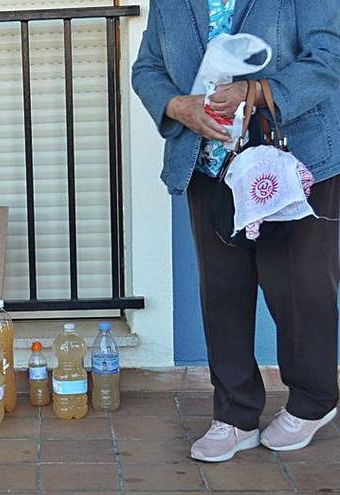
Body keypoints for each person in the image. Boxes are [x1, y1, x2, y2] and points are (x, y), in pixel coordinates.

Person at [133, 0, 340, 462]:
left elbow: (330, 56)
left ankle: (314, 399)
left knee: (299, 289)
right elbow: (146, 68)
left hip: (294, 163)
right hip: (209, 166)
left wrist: (258, 90)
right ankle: (235, 414)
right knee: (223, 292)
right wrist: (175, 105)